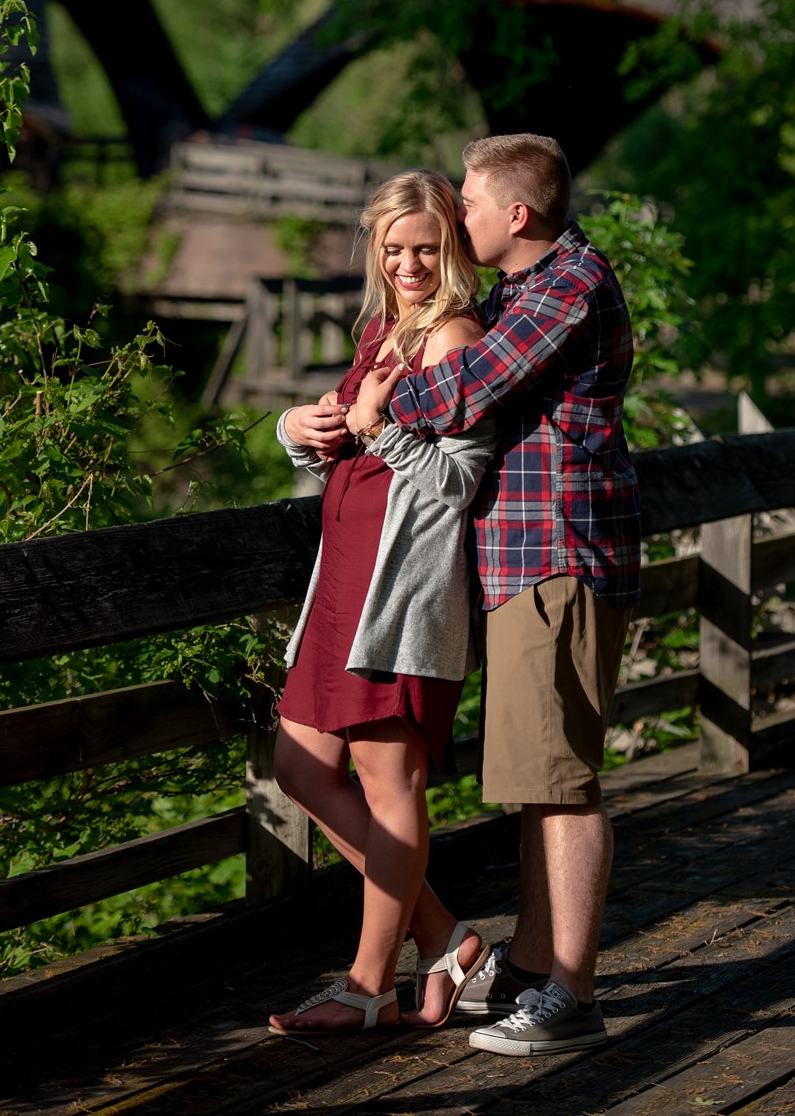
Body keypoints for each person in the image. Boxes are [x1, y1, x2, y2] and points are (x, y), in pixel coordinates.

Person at [354, 133, 641, 1056]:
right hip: (521, 559)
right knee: (535, 778)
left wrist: (374, 407)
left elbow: (472, 384)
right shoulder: (522, 289)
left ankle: (574, 991)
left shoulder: (568, 284)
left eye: (470, 203)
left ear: (516, 215)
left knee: (563, 785)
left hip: (558, 554)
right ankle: (529, 961)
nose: (458, 215)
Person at [267, 170, 494, 1036]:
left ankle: (366, 985)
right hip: (341, 589)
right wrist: (302, 428)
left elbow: (456, 482)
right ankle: (446, 938)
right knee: (298, 766)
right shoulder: (384, 330)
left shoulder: (454, 338)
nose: (407, 263)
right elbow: (351, 450)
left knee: (387, 782)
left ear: (453, 250)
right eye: (393, 248)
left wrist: (376, 429)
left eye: (425, 248)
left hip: (398, 597)